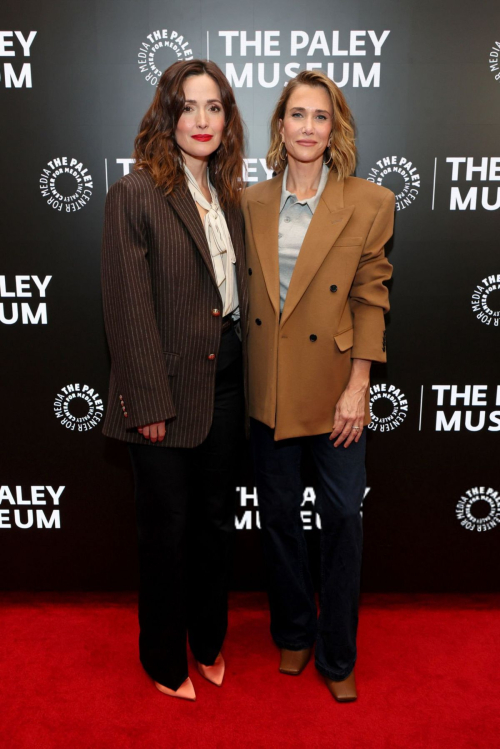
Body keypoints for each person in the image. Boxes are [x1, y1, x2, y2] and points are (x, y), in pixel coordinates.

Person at [241, 69, 394, 702]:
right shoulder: (248, 200)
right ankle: (294, 632)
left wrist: (359, 384)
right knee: (278, 520)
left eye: (320, 117)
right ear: (281, 125)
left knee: (341, 524)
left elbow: (369, 297)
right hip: (270, 390)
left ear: (335, 130)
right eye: (297, 115)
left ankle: (338, 653)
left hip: (336, 391)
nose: (308, 127)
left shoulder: (370, 202)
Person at [101, 59, 247, 701]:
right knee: (166, 531)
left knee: (215, 524)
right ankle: (164, 658)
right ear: (168, 115)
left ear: (227, 118)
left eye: (214, 107)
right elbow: (127, 307)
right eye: (189, 107)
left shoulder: (230, 195)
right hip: (163, 390)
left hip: (228, 383)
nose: (202, 120)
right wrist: (147, 401)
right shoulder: (135, 193)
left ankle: (208, 638)